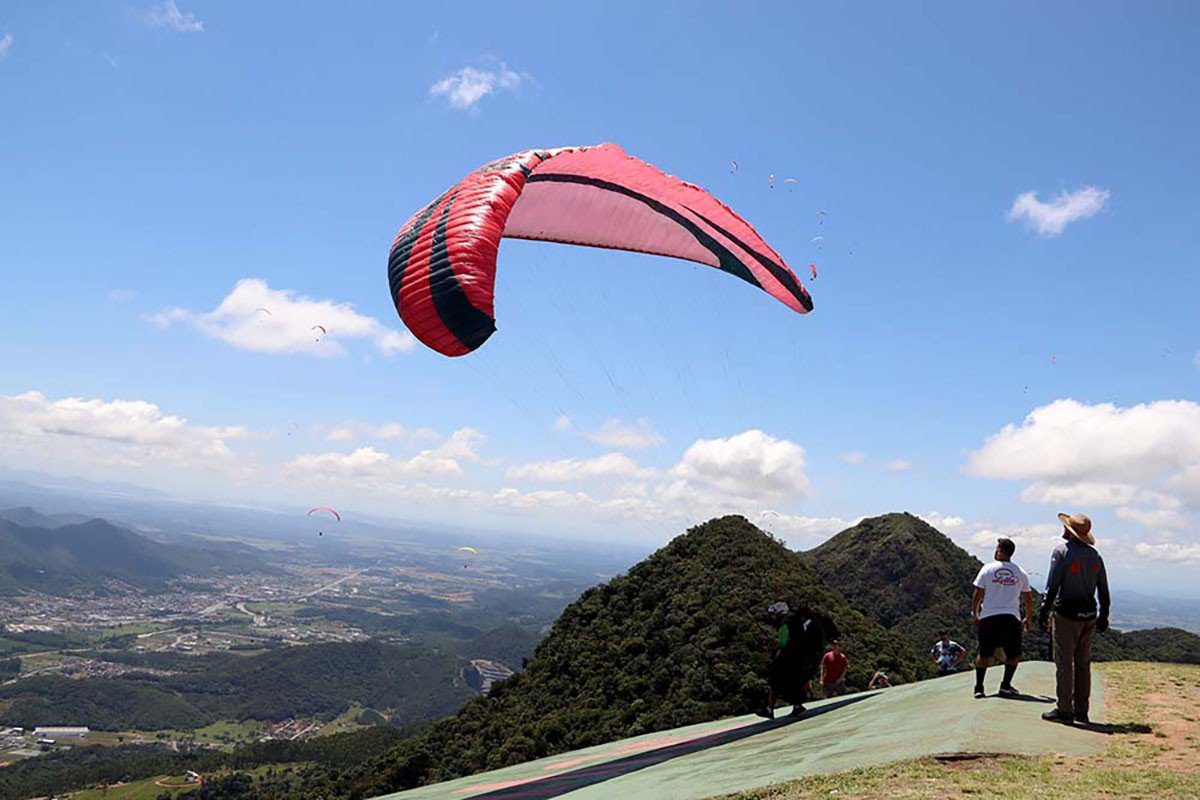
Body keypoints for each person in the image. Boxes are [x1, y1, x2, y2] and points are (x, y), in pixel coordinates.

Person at [1039, 512, 1110, 725]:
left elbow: (1053, 586)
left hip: (1066, 615)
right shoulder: (1095, 556)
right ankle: (1082, 710)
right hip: (1089, 615)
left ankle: (1064, 710)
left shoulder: (1061, 552)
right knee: (1082, 664)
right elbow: (1104, 590)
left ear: (1069, 532)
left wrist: (1044, 612)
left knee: (1064, 663)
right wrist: (1104, 616)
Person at [971, 537, 1033, 699]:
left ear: (999, 551)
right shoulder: (1020, 572)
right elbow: (1027, 597)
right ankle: (1005, 685)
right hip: (1011, 617)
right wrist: (1028, 617)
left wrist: (975, 614)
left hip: (988, 616)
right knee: (1013, 654)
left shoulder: (987, 569)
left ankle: (979, 687)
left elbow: (977, 594)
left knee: (984, 654)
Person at [756, 602, 828, 719]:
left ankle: (770, 709)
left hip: (792, 659)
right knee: (794, 682)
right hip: (804, 659)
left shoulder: (785, 625)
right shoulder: (796, 622)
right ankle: (797, 706)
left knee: (775, 680)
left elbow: (783, 643)